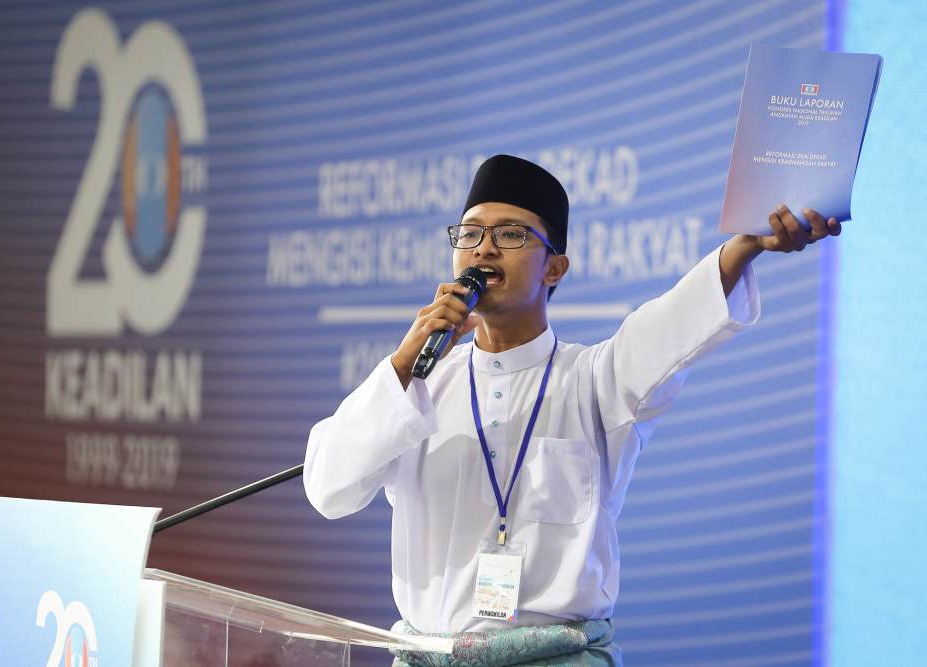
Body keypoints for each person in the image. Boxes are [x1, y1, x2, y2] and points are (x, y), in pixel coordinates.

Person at [303, 155, 841, 667]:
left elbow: (676, 319)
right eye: (470, 234)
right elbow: (328, 488)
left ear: (554, 267)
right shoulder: (416, 385)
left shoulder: (594, 380)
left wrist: (747, 245)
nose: (484, 250)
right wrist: (401, 364)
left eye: (510, 234)